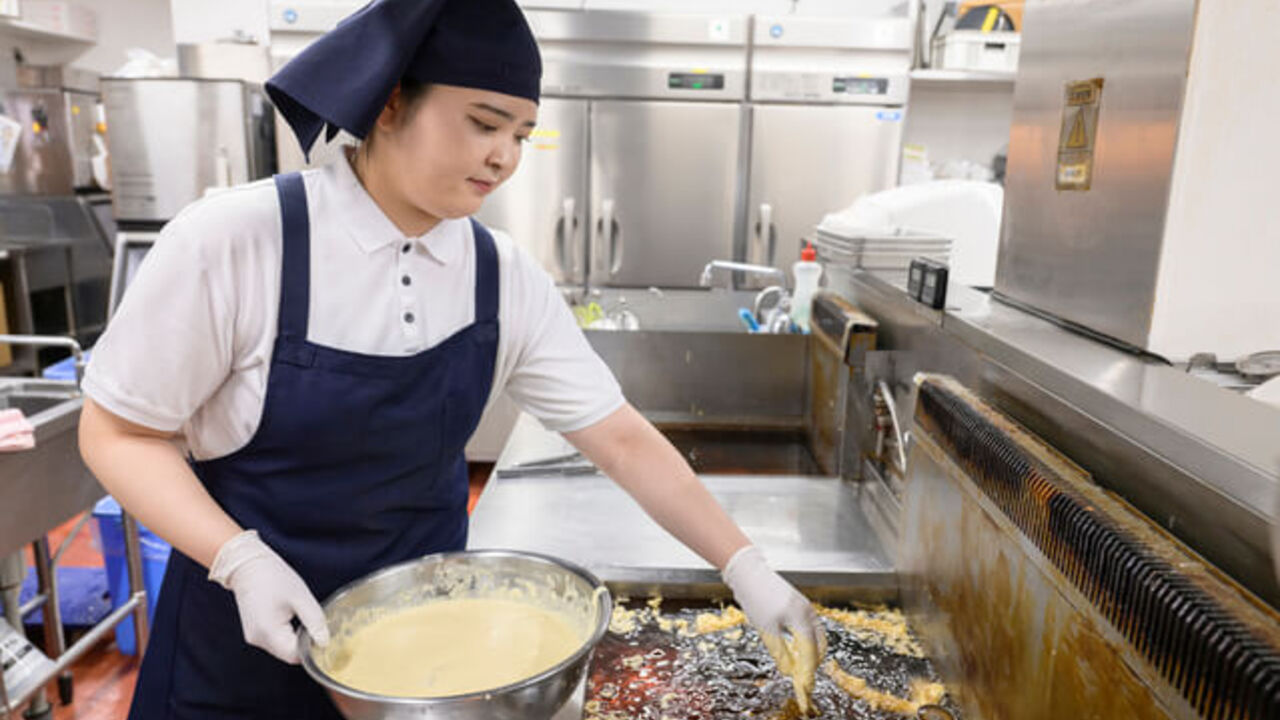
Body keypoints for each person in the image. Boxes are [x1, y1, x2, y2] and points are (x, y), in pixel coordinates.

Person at [78, 0, 822, 716]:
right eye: (484, 123)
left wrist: (744, 566)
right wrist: (239, 559)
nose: (504, 157)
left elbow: (620, 439)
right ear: (392, 103)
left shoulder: (500, 277)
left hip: (427, 677)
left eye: (523, 134)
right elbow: (117, 433)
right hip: (235, 663)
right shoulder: (239, 241)